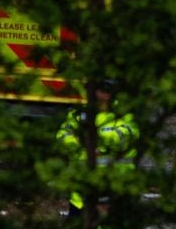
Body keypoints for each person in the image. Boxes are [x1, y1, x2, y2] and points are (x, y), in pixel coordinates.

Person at [56, 83, 138, 222]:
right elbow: (63, 134)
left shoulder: (123, 112)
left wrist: (100, 145)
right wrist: (79, 144)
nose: (103, 95)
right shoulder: (79, 113)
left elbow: (128, 134)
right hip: (81, 195)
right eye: (100, 91)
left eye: (107, 91)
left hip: (113, 188)